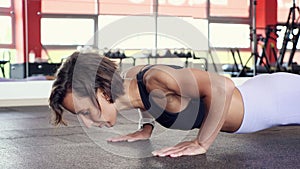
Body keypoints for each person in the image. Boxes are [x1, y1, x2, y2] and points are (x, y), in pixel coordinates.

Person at [49, 51, 300, 157]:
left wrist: (202, 142)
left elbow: (223, 86)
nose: (89, 124)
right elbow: (144, 102)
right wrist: (146, 127)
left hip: (279, 99)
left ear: (102, 91)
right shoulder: (134, 80)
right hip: (265, 96)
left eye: (85, 112)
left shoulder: (156, 79)